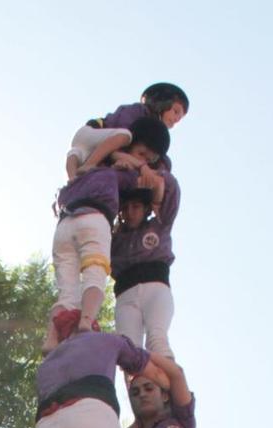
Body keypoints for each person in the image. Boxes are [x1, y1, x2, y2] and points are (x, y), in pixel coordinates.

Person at [43, 118, 170, 355]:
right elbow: (155, 184)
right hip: (94, 218)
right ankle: (85, 322)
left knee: (67, 291)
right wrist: (135, 166)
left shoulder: (76, 179)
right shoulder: (116, 176)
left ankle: (51, 338)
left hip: (64, 224)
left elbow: (72, 158)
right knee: (94, 273)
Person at [31, 321, 171, 428]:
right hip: (91, 417)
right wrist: (171, 393)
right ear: (93, 327)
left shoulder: (48, 363)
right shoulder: (105, 340)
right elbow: (154, 372)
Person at [112, 168, 180, 358]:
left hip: (155, 287)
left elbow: (172, 190)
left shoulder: (159, 225)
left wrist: (151, 172)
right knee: (128, 351)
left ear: (146, 209)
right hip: (125, 294)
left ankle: (172, 386)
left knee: (156, 338)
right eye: (125, 208)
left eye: (135, 207)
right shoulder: (115, 241)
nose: (129, 212)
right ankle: (138, 387)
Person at [66, 82, 188, 180]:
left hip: (93, 148)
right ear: (162, 103)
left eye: (180, 118)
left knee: (77, 153)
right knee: (125, 135)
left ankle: (73, 182)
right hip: (94, 133)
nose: (176, 119)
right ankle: (89, 165)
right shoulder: (138, 111)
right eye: (176, 111)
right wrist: (127, 160)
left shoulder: (155, 136)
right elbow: (121, 127)